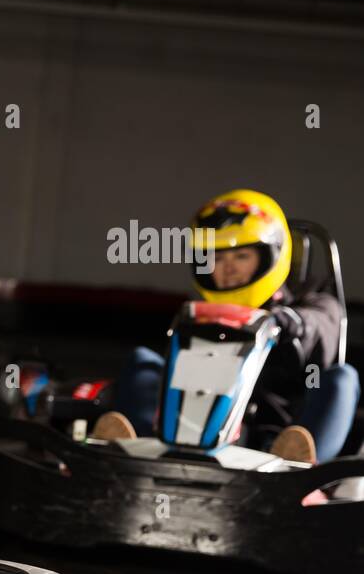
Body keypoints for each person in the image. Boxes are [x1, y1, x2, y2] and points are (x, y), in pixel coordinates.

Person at [94, 188, 359, 462]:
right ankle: (135, 452)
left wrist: (282, 321)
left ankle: (302, 468)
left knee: (342, 378)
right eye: (217, 259)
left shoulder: (311, 303)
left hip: (277, 430)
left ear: (271, 256)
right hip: (201, 421)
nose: (228, 269)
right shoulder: (201, 317)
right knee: (143, 361)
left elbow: (320, 327)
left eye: (241, 257)